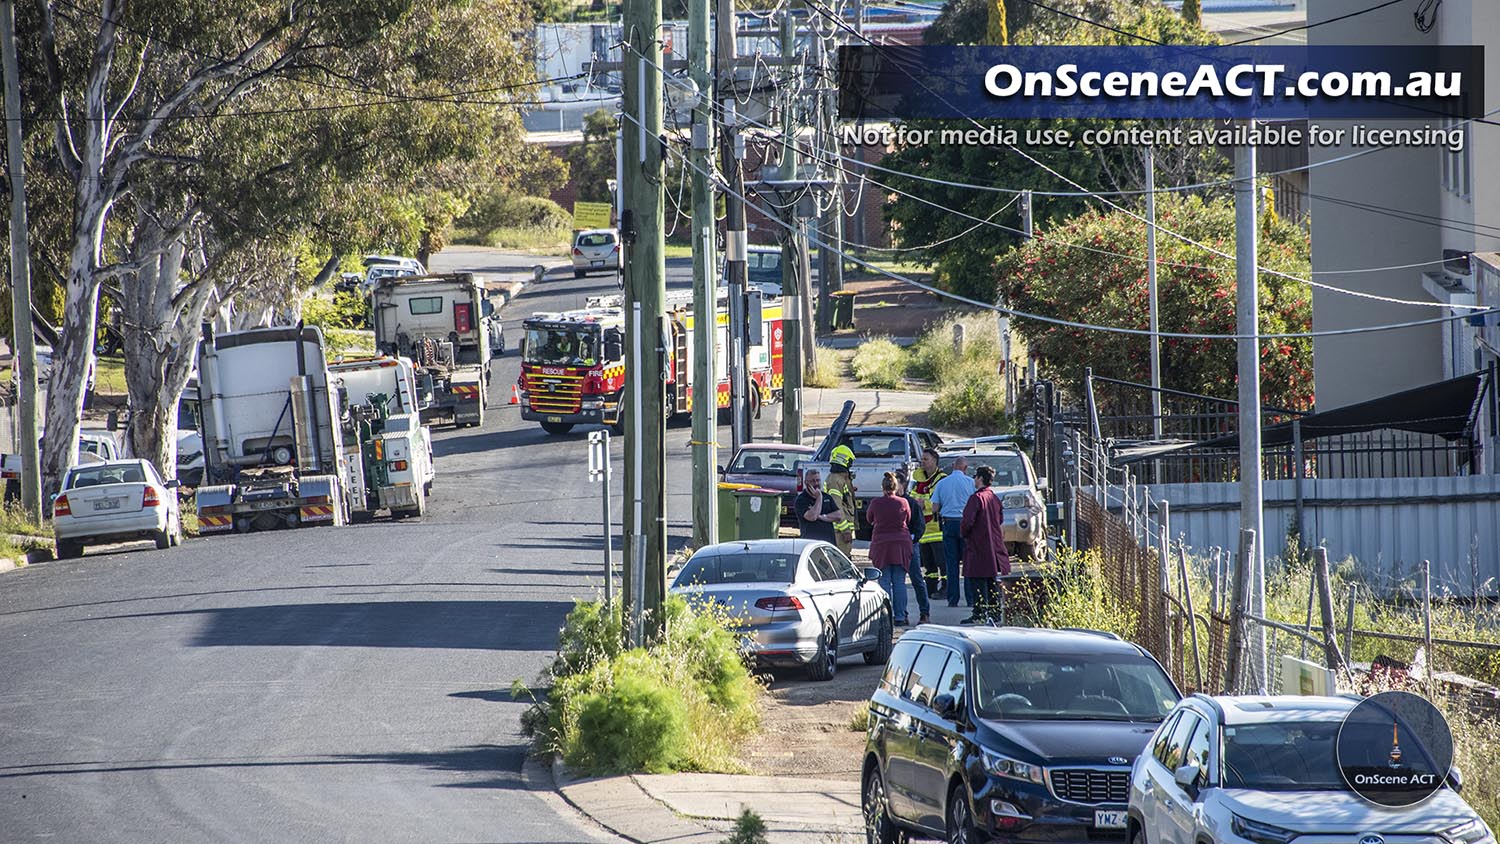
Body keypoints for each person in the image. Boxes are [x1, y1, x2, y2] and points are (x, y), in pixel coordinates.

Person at [960, 464, 1012, 625]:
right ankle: (994, 612)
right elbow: (1000, 519)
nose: (974, 479)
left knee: (978, 581)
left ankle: (980, 612)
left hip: (978, 545)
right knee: (991, 581)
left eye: (975, 477)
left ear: (980, 478)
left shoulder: (976, 498)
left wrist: (964, 533)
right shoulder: (994, 497)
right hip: (994, 545)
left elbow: (967, 522)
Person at [866, 471, 914, 627]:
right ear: (896, 486)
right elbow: (908, 519)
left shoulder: (876, 503)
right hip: (901, 544)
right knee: (899, 581)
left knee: (884, 580)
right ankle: (900, 616)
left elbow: (869, 519)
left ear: (882, 487)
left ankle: (886, 615)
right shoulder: (903, 503)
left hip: (882, 544)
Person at [931, 455, 976, 609]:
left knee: (951, 564)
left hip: (948, 524)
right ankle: (970, 599)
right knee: (969, 563)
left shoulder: (942, 484)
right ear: (965, 468)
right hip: (966, 525)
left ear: (953, 465)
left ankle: (953, 599)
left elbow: (934, 507)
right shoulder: (970, 483)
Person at [910, 448, 948, 601]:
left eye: (926, 459)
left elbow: (939, 502)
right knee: (929, 565)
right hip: (923, 531)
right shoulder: (918, 481)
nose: (923, 462)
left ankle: (946, 588)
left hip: (937, 529)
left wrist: (923, 504)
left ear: (934, 460)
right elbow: (913, 500)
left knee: (943, 563)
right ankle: (931, 587)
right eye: (922, 459)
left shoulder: (942, 479)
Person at [896, 468, 930, 625]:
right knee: (898, 582)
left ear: (903, 484)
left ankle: (924, 613)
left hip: (910, 547)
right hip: (894, 547)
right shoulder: (888, 502)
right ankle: (902, 614)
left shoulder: (911, 503)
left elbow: (920, 525)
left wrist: (913, 539)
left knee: (916, 579)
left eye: (895, 484)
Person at [825, 444, 859, 557]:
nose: (851, 464)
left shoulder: (840, 478)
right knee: (841, 560)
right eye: (850, 461)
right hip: (839, 532)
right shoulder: (835, 480)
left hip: (841, 531)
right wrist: (845, 530)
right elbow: (836, 505)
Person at [795, 469, 842, 543]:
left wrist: (821, 516)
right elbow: (812, 517)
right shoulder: (801, 500)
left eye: (818, 480)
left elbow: (838, 516)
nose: (816, 483)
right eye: (813, 481)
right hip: (810, 543)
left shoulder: (827, 497)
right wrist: (819, 498)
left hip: (828, 542)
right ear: (806, 483)